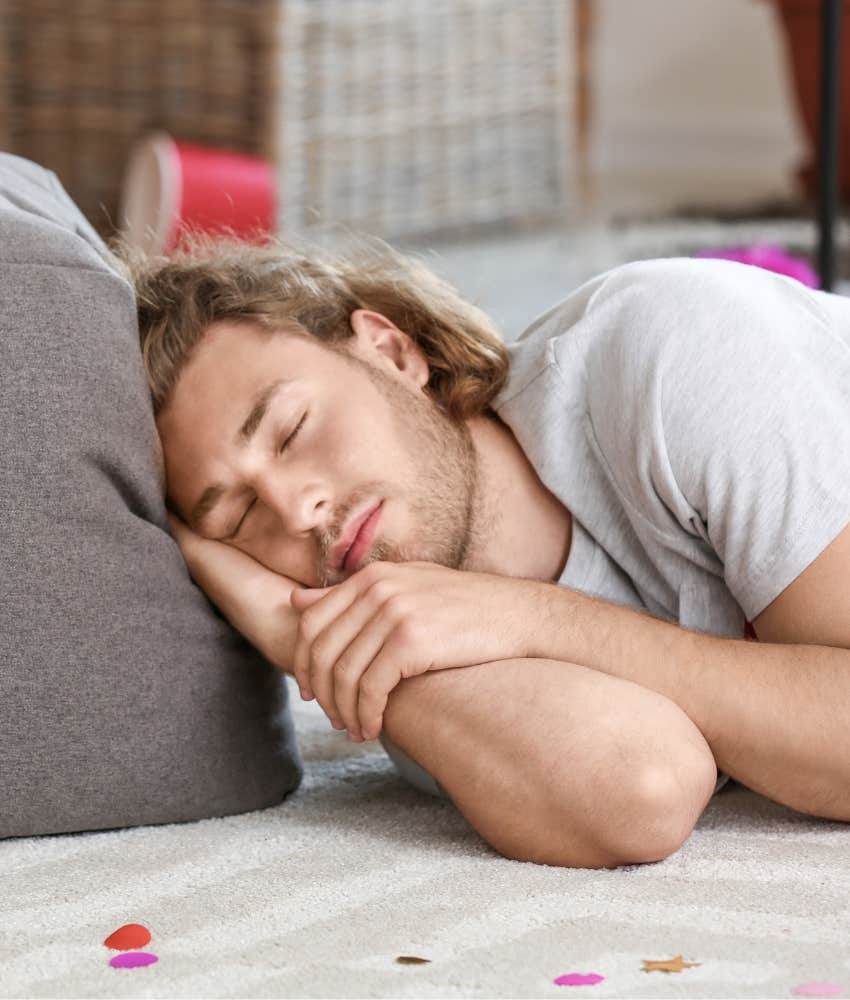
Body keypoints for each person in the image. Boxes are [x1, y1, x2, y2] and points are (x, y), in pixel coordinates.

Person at [117, 233, 850, 868]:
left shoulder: (671, 350)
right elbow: (642, 790)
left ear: (392, 350)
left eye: (290, 429)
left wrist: (537, 618)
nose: (296, 508)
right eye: (240, 518)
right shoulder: (412, 648)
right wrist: (299, 631)